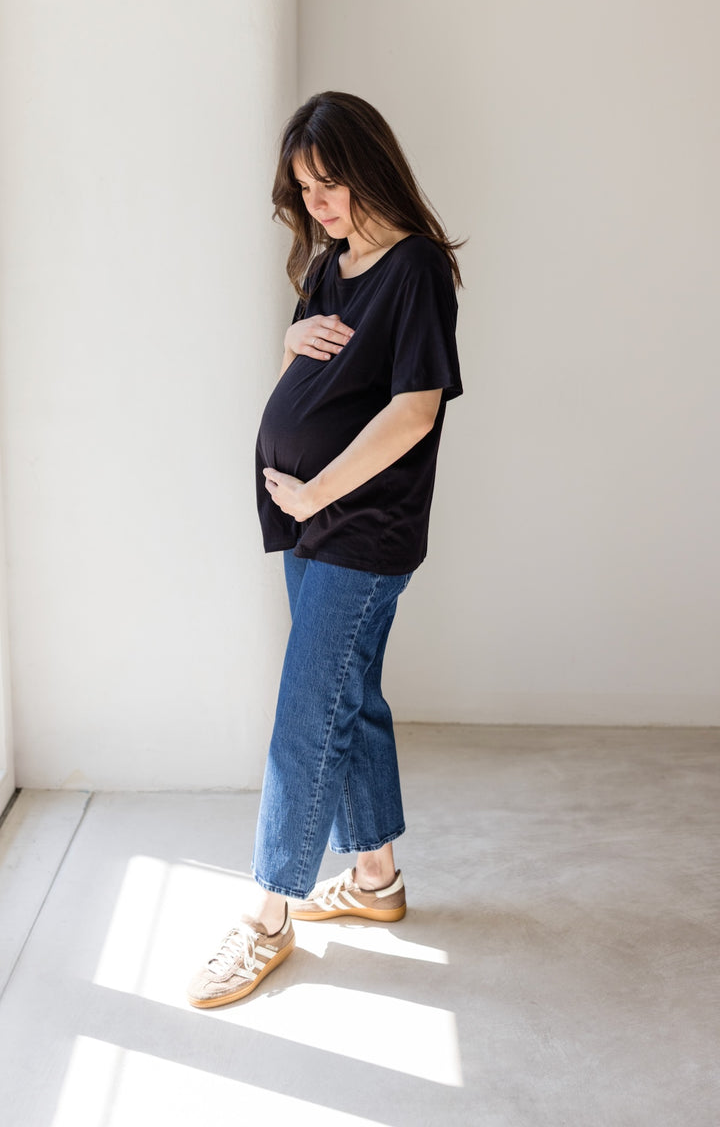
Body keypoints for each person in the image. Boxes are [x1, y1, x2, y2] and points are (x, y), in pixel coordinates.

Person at [187, 91, 463, 1009]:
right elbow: (303, 386)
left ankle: (266, 918)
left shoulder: (415, 268)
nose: (318, 203)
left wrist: (316, 491)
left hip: (360, 527)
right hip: (308, 523)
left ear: (369, 167)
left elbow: (413, 411)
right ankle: (376, 879)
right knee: (352, 697)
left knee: (306, 717)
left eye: (330, 183)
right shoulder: (327, 268)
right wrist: (288, 342)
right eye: (304, 188)